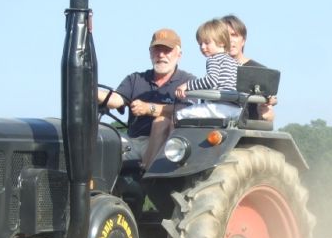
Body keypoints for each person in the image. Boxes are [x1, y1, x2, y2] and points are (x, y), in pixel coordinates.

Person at [97, 28, 194, 167]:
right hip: (133, 141)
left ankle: (148, 177)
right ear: (150, 53)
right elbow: (115, 100)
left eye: (167, 50)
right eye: (156, 49)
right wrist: (90, 90)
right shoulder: (135, 79)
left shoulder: (187, 81)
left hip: (169, 147)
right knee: (100, 140)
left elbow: (186, 110)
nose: (161, 55)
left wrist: (149, 108)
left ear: (179, 54)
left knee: (162, 122)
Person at [174, 18, 239, 121]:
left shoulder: (213, 59)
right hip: (235, 110)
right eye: (200, 44)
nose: (203, 47)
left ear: (221, 42)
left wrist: (187, 86)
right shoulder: (235, 62)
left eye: (207, 43)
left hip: (217, 108)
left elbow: (211, 80)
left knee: (179, 116)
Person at [222, 14, 276, 122]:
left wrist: (266, 111)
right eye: (226, 36)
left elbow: (268, 112)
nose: (230, 40)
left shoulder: (259, 71)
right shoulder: (216, 70)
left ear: (243, 40)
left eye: (234, 35)